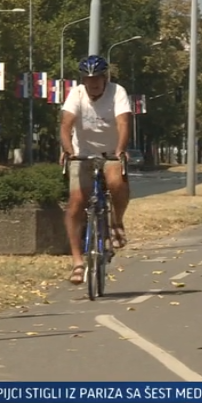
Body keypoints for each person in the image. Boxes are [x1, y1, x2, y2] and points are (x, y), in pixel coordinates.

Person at [59, 54, 132, 284]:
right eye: (89, 80)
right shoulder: (77, 94)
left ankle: (117, 222)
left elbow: (123, 123)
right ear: (83, 80)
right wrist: (69, 150)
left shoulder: (117, 92)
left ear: (105, 78)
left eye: (97, 79)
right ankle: (77, 262)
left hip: (110, 151)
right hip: (82, 153)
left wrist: (120, 150)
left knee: (116, 182)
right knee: (76, 203)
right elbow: (65, 125)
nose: (93, 84)